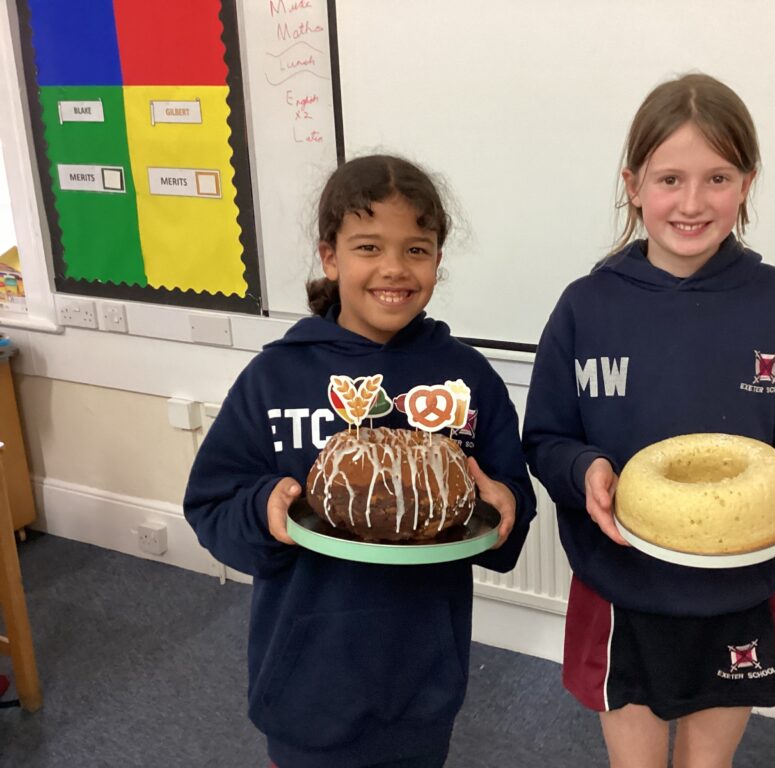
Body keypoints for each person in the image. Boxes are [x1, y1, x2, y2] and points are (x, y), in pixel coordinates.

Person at [522, 73, 775, 768]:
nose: (692, 203)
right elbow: (546, 437)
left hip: (737, 587)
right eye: (670, 179)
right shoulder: (585, 307)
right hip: (620, 586)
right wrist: (585, 471)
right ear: (633, 184)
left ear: (747, 183)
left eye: (717, 177)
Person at [184, 154, 536, 768]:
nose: (393, 269)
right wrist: (261, 510)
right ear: (330, 256)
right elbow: (212, 501)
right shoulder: (276, 377)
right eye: (368, 247)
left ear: (437, 260)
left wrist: (505, 506)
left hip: (421, 680)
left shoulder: (468, 379)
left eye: (417, 250)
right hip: (305, 680)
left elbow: (507, 509)